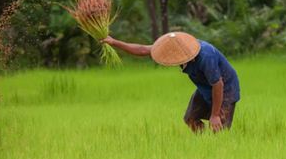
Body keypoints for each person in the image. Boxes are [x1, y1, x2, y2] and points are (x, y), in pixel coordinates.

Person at [102, 32, 240, 133]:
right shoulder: (173, 46)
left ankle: (217, 147)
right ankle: (204, 143)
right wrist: (114, 42)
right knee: (190, 119)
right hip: (204, 87)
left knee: (219, 128)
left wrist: (215, 115)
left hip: (225, 88)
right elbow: (143, 49)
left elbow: (218, 84)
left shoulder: (206, 57)